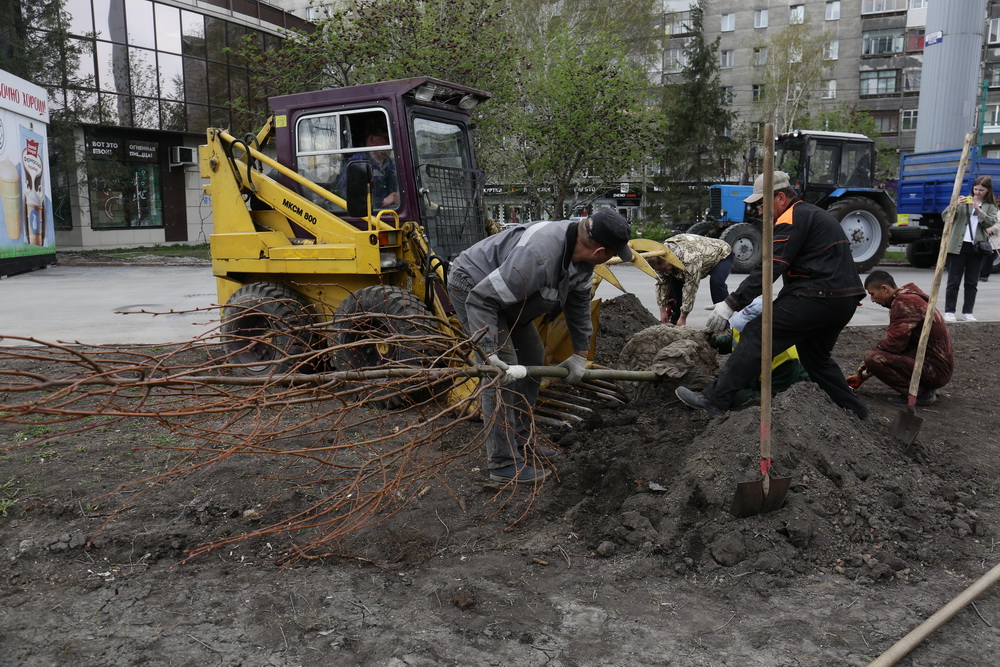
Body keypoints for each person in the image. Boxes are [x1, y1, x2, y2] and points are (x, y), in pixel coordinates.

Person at [448, 209, 633, 484]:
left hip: (512, 300)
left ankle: (521, 443)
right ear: (600, 252)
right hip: (475, 288)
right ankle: (503, 463)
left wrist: (580, 354)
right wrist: (490, 353)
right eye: (614, 253)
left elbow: (579, 305)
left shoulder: (582, 261)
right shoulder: (539, 256)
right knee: (503, 374)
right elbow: (482, 299)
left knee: (533, 361)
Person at [675, 171, 870, 420]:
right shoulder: (813, 214)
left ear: (780, 197)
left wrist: (731, 303)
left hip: (818, 295)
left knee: (757, 333)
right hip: (842, 300)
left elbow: (770, 267)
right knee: (816, 359)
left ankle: (715, 399)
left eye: (761, 204)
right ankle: (856, 411)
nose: (759, 211)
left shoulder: (792, 217)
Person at [847, 270, 954, 406]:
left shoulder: (904, 303)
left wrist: (869, 363)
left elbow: (894, 345)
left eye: (872, 294)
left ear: (885, 288)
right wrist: (863, 375)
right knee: (875, 356)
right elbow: (900, 346)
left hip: (934, 371)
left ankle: (920, 393)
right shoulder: (911, 298)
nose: (873, 300)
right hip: (937, 367)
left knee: (871, 357)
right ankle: (926, 389)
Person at [710, 296, 811, 406]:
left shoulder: (786, 358)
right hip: (753, 376)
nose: (742, 332)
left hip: (781, 387)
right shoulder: (742, 330)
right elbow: (732, 341)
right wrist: (714, 342)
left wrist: (735, 395)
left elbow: (775, 396)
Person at [943, 175, 999, 322]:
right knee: (953, 280)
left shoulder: (990, 206)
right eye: (975, 189)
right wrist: (954, 205)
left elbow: (991, 222)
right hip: (958, 246)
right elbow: (945, 218)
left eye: (981, 190)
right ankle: (949, 311)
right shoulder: (962, 201)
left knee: (972, 282)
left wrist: (979, 211)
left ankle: (968, 312)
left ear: (988, 191)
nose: (977, 192)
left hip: (977, 248)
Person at [649, 234, 734, 326]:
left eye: (664, 269)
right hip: (696, 253)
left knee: (716, 282)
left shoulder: (689, 259)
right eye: (661, 270)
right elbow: (661, 283)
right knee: (673, 279)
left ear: (670, 260)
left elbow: (690, 288)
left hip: (721, 254)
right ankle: (674, 319)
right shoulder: (660, 253)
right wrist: (662, 311)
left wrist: (683, 318)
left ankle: (725, 325)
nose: (664, 272)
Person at [336, 129, 400, 210]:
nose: (391, 143)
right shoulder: (356, 163)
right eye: (388, 139)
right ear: (372, 139)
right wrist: (383, 201)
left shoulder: (390, 164)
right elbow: (350, 199)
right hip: (366, 216)